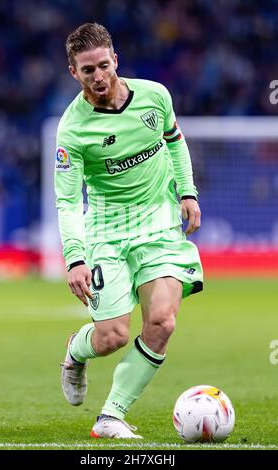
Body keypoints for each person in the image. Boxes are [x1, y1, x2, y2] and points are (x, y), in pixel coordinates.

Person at [55, 22, 203, 439]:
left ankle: (110, 416)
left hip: (158, 225)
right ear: (74, 73)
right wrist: (76, 258)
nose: (99, 77)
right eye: (88, 71)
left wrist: (187, 193)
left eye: (104, 65)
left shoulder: (155, 96)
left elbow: (174, 140)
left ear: (115, 60)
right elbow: (67, 200)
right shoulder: (72, 129)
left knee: (162, 322)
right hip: (107, 231)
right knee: (112, 336)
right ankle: (75, 350)